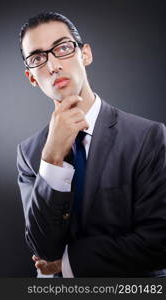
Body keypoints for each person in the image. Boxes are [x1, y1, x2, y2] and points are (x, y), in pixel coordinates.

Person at [17, 11, 166, 278]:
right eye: (38, 58)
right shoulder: (29, 153)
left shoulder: (148, 137)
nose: (53, 66)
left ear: (85, 54)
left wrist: (66, 264)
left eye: (62, 48)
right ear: (31, 77)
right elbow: (42, 246)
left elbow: (158, 242)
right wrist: (51, 158)